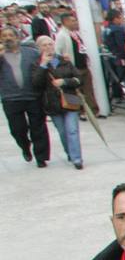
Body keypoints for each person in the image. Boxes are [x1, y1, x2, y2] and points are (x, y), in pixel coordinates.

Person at [1, 25, 50, 166]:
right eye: (4, 36)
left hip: (33, 96)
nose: (8, 38)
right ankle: (25, 146)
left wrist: (62, 60)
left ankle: (41, 157)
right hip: (10, 98)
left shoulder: (31, 52)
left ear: (18, 37)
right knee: (17, 129)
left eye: (11, 35)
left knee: (38, 127)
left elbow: (48, 61)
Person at [37, 35, 84, 169]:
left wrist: (65, 82)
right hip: (52, 102)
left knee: (72, 130)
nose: (48, 47)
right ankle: (70, 152)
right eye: (44, 45)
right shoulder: (37, 64)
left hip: (70, 98)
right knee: (63, 132)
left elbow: (79, 78)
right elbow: (36, 83)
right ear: (39, 48)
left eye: (50, 44)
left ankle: (77, 158)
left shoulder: (64, 61)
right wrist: (43, 65)